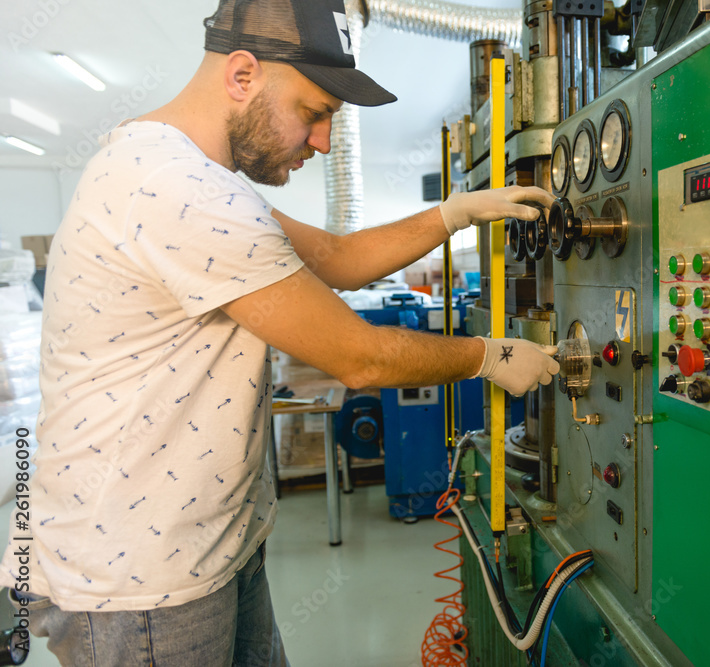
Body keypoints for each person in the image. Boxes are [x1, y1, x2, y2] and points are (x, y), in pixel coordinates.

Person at [0, 0, 558, 663]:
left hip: (209, 547)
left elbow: (337, 258)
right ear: (243, 75)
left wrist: (453, 213)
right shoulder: (175, 188)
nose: (323, 141)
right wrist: (490, 356)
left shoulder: (184, 172)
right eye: (314, 112)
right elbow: (361, 357)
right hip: (141, 586)